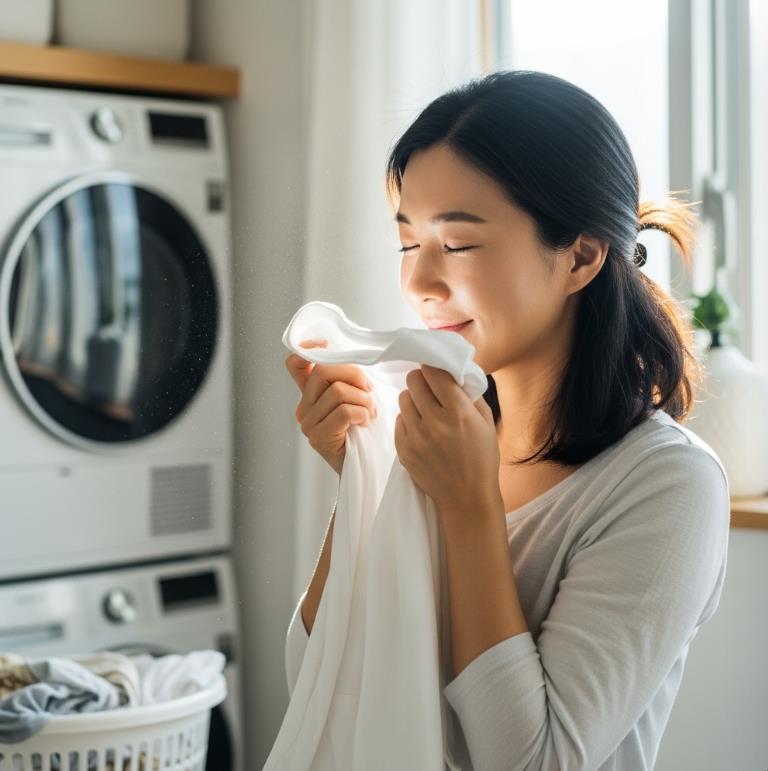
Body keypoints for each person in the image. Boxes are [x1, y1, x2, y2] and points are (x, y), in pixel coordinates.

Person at [284, 70, 730, 771]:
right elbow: (316, 679)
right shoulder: (434, 432)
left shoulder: (668, 485)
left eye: (458, 244)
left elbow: (533, 760)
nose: (419, 283)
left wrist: (468, 508)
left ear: (581, 256)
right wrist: (363, 475)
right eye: (409, 244)